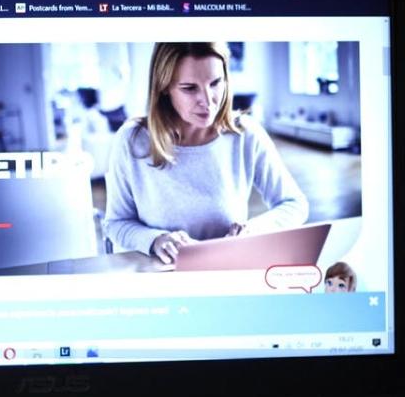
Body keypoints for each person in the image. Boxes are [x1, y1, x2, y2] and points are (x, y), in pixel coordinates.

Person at [103, 42, 308, 264]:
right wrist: (155, 240)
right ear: (164, 87)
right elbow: (116, 224)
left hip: (228, 269)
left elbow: (294, 204)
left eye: (216, 83)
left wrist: (254, 230)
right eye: (190, 88)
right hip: (162, 274)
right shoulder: (132, 140)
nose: (208, 101)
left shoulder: (245, 134)